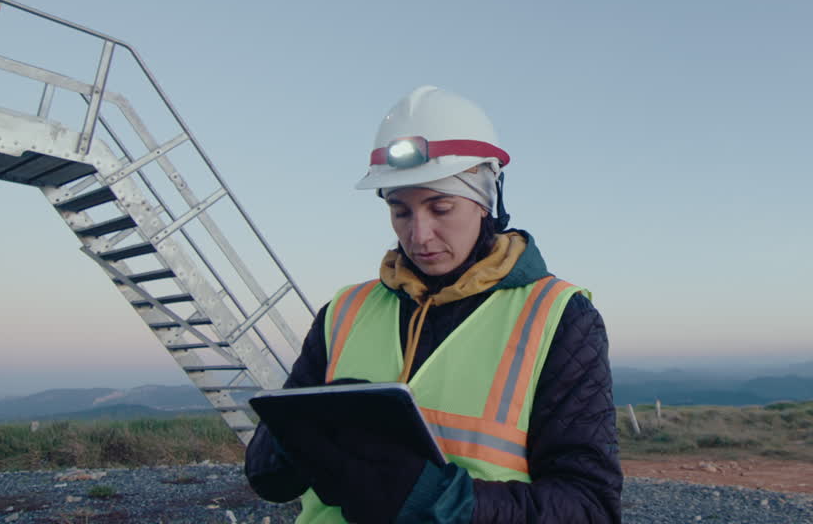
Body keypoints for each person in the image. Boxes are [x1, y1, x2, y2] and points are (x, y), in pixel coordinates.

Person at [245, 85, 622, 523]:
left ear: (486, 201)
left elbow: (589, 508)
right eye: (400, 211)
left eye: (440, 207)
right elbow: (269, 480)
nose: (418, 235)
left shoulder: (559, 316)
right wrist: (298, 438)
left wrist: (443, 502)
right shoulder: (345, 311)